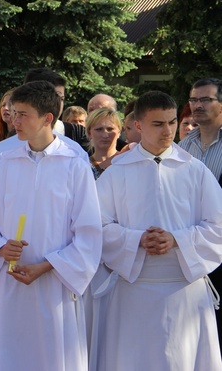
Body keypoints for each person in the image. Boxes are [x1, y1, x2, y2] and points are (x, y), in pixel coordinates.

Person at [0, 81, 102, 371]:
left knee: (51, 357)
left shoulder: (74, 166)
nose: (14, 121)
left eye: (23, 114)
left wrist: (48, 265)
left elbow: (88, 233)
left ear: (47, 118)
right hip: (9, 283)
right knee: (7, 353)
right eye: (13, 113)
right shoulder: (4, 165)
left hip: (54, 284)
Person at [95, 91, 222, 370]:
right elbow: (96, 227)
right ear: (138, 125)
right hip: (133, 290)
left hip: (184, 290)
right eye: (158, 124)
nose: (168, 131)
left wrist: (177, 239)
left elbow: (218, 227)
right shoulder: (116, 173)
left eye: (172, 122)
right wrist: (136, 239)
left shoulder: (195, 171)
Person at [178, 77, 222, 349]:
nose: (197, 105)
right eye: (194, 99)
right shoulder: (182, 148)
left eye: (206, 99)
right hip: (191, 247)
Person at [86, 108, 124, 179]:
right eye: (99, 129)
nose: (105, 135)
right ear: (89, 133)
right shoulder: (82, 166)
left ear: (119, 132)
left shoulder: (127, 162)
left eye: (110, 129)